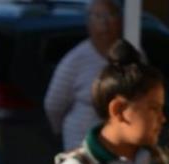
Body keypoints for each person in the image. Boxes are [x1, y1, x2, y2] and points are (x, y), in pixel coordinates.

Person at [44, 0, 127, 151]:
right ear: (88, 23)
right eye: (98, 16)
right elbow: (54, 105)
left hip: (121, 146)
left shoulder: (132, 54)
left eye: (110, 15)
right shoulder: (75, 60)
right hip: (81, 144)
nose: (105, 23)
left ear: (120, 21)